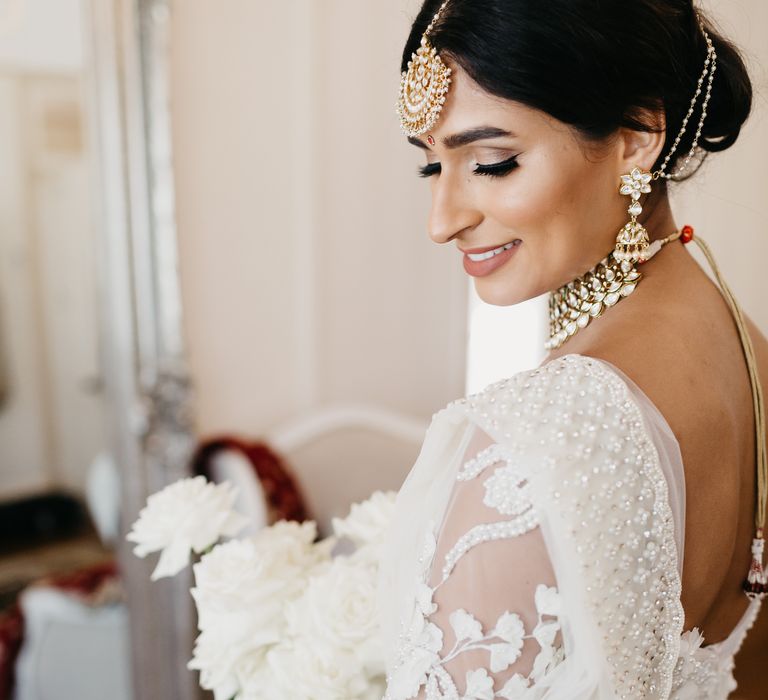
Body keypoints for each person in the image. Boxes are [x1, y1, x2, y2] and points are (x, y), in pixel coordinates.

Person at [377, 1, 767, 698]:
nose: (443, 222)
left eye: (492, 163)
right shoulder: (739, 337)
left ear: (639, 135)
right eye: (432, 168)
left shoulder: (541, 439)